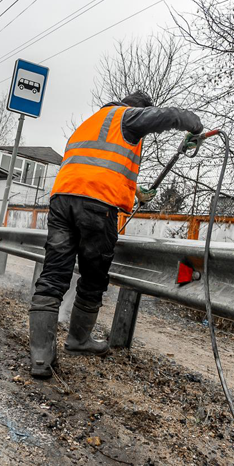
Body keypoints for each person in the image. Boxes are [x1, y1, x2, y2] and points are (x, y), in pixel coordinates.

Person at [28, 90, 203, 378]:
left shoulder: (92, 122)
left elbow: (95, 167)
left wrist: (134, 191)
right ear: (139, 110)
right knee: (93, 278)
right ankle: (78, 340)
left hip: (62, 202)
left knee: (53, 276)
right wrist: (194, 125)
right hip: (96, 208)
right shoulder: (128, 117)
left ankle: (40, 358)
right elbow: (171, 116)